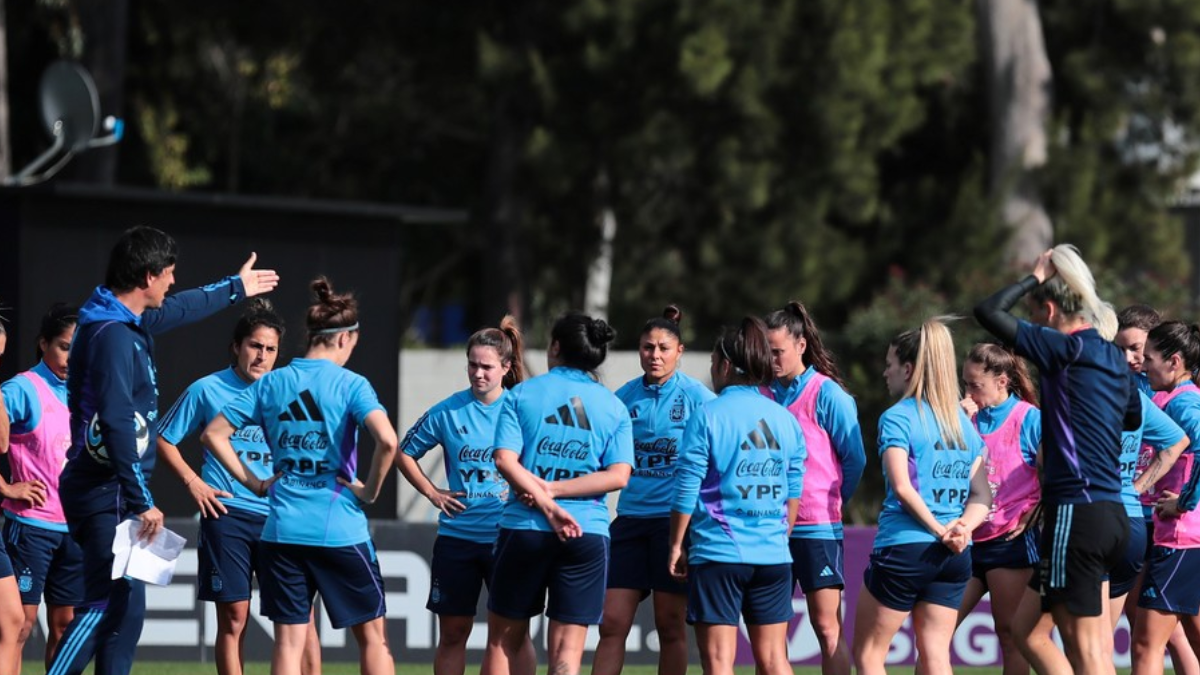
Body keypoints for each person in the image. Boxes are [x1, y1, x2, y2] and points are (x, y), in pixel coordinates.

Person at [48, 226, 279, 675]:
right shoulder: (113, 334)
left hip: (109, 488)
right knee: (104, 602)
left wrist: (237, 288)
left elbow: (180, 308)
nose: (173, 282)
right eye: (169, 273)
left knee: (127, 610)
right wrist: (140, 500)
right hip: (105, 490)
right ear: (148, 276)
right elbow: (115, 419)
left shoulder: (120, 317)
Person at [202, 277, 397, 675]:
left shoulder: (273, 382)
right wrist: (369, 491)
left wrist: (254, 484)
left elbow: (212, 435)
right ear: (344, 338)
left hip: (282, 531)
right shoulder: (351, 384)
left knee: (289, 643)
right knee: (374, 639)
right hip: (339, 527)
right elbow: (389, 442)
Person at [975, 244, 1138, 675]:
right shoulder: (1112, 357)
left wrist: (1034, 275)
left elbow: (989, 310)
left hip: (1077, 514)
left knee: (1089, 654)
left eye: (1033, 314)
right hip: (1111, 514)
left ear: (1048, 310)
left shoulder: (1062, 349)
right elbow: (1133, 415)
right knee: (1026, 630)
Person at [155, 299, 320, 675]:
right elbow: (164, 439)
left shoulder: (289, 392)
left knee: (300, 618)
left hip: (282, 517)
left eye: (270, 349)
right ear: (236, 346)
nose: (262, 356)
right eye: (255, 346)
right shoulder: (206, 389)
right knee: (233, 617)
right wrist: (193, 482)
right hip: (226, 514)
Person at [481, 312, 633, 675]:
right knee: (567, 655)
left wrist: (545, 495)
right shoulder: (613, 406)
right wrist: (559, 493)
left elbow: (504, 460)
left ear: (556, 348)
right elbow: (619, 476)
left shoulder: (521, 394)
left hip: (526, 530)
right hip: (586, 533)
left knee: (504, 643)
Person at [396, 316, 536, 675]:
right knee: (453, 633)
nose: (478, 373)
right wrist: (431, 492)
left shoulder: (523, 409)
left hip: (508, 537)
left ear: (506, 367)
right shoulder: (448, 411)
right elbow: (403, 452)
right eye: (472, 365)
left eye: (486, 366)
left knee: (513, 636)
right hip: (457, 540)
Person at [667, 316, 806, 675]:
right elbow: (793, 492)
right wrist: (780, 535)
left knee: (718, 663)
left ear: (725, 365)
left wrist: (677, 545)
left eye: (713, 363)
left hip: (718, 553)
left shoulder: (707, 415)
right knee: (776, 661)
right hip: (774, 555)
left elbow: (687, 487)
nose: (712, 371)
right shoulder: (785, 419)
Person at [852, 319, 991, 675]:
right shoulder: (961, 423)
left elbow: (902, 488)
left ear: (909, 369)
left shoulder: (897, 417)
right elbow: (981, 494)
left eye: (890, 364)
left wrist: (940, 530)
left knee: (868, 654)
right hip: (955, 555)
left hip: (907, 547)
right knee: (936, 655)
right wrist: (961, 529)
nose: (886, 372)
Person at [593, 305, 715, 675]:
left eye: (663, 348)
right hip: (629, 520)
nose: (655, 355)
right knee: (611, 622)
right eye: (648, 347)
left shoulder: (699, 399)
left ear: (680, 351)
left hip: (673, 525)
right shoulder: (623, 397)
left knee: (669, 625)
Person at [763, 301, 863, 675]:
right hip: (769, 528)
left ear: (801, 345)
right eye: (766, 352)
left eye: (778, 352)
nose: (772, 360)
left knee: (827, 627)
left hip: (817, 528)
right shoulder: (760, 394)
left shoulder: (828, 394)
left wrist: (831, 500)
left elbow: (855, 460)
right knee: (769, 636)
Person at [1116, 306, 1200, 675]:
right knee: (1189, 635)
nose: (1142, 365)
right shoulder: (1166, 397)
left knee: (1146, 643)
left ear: (1175, 361)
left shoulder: (1185, 402)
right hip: (1170, 535)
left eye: (1147, 357)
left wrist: (1184, 501)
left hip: (1181, 537)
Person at [0, 304, 82, 672]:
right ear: (43, 343)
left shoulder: (88, 392)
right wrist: (7, 487)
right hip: (31, 526)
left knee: (65, 626)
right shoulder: (21, 387)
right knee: (19, 627)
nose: (71, 357)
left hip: (75, 528)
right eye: (64, 346)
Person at [955, 343, 1041, 675]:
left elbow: (1059, 474)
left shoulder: (1030, 419)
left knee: (1010, 635)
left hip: (1010, 543)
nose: (968, 392)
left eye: (975, 384)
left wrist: (1036, 512)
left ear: (1002, 381)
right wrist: (958, 426)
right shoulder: (962, 419)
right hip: (965, 540)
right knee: (935, 630)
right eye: (965, 383)